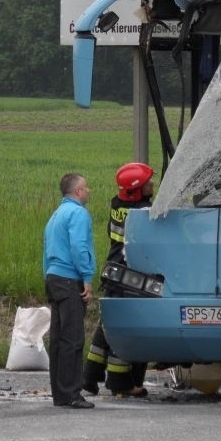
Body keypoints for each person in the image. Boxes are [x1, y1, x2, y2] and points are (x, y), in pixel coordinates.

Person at [83, 163, 154, 398]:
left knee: (106, 327)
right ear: (136, 189)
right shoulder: (142, 212)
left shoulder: (117, 204)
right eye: (147, 183)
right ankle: (120, 383)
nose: (152, 185)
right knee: (126, 328)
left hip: (112, 272)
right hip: (130, 277)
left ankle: (90, 376)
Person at [43, 172, 96, 409]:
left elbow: (47, 249)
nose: (88, 191)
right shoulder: (78, 213)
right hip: (69, 278)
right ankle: (72, 393)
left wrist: (48, 277)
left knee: (58, 338)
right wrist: (86, 277)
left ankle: (60, 393)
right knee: (73, 338)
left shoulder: (55, 215)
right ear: (77, 192)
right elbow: (78, 246)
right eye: (85, 187)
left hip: (54, 277)